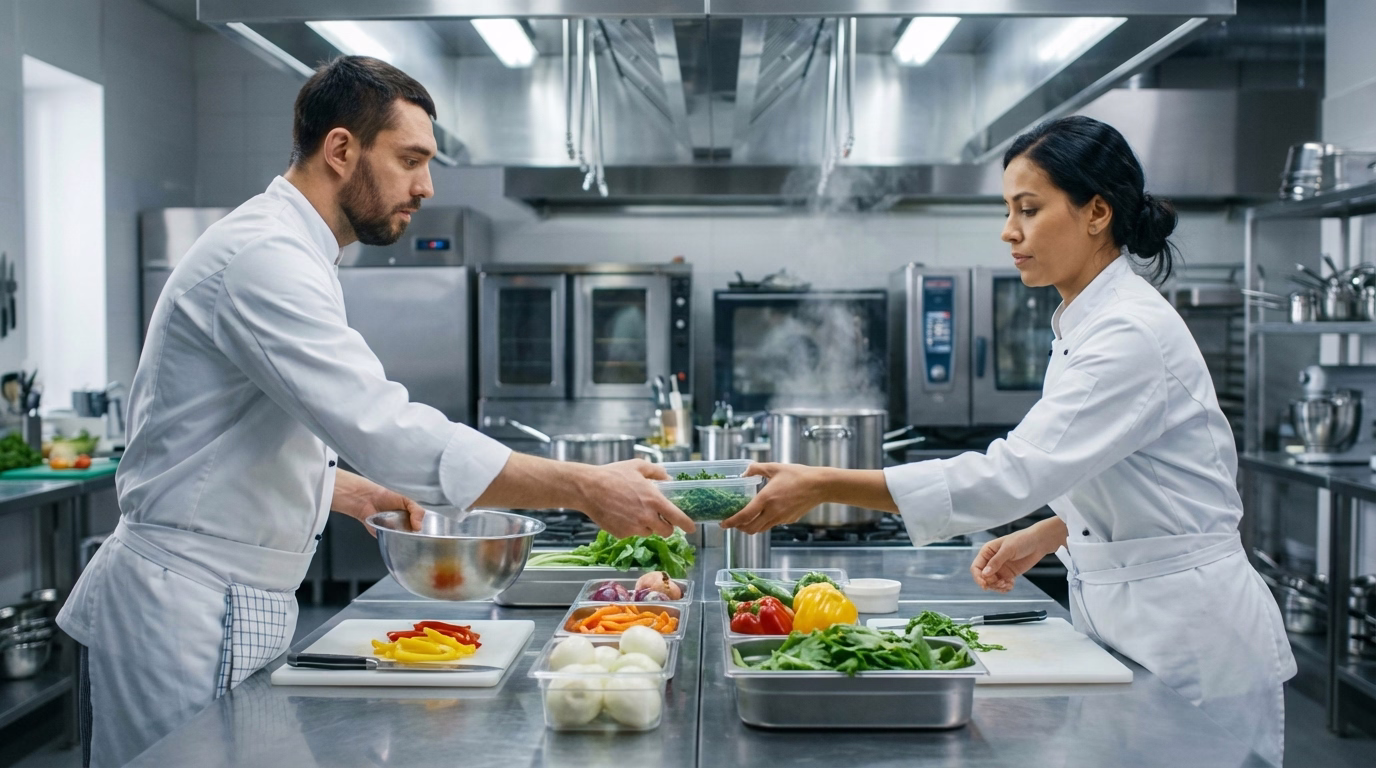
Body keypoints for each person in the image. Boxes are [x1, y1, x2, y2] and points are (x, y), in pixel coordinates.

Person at [57, 56, 694, 768]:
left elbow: (231, 437)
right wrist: (586, 485)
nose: (425, 186)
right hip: (183, 613)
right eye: (411, 160)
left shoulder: (300, 252)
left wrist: (354, 492)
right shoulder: (261, 255)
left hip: (227, 600)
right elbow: (384, 426)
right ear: (340, 150)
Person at [722, 115, 1295, 765]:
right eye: (1007, 209)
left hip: (1191, 639)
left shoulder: (1128, 334)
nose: (1009, 231)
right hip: (1135, 619)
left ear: (1096, 212)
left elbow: (1013, 473)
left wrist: (826, 483)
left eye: (1028, 208)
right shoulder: (1088, 319)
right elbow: (1127, 472)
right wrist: (1055, 530)